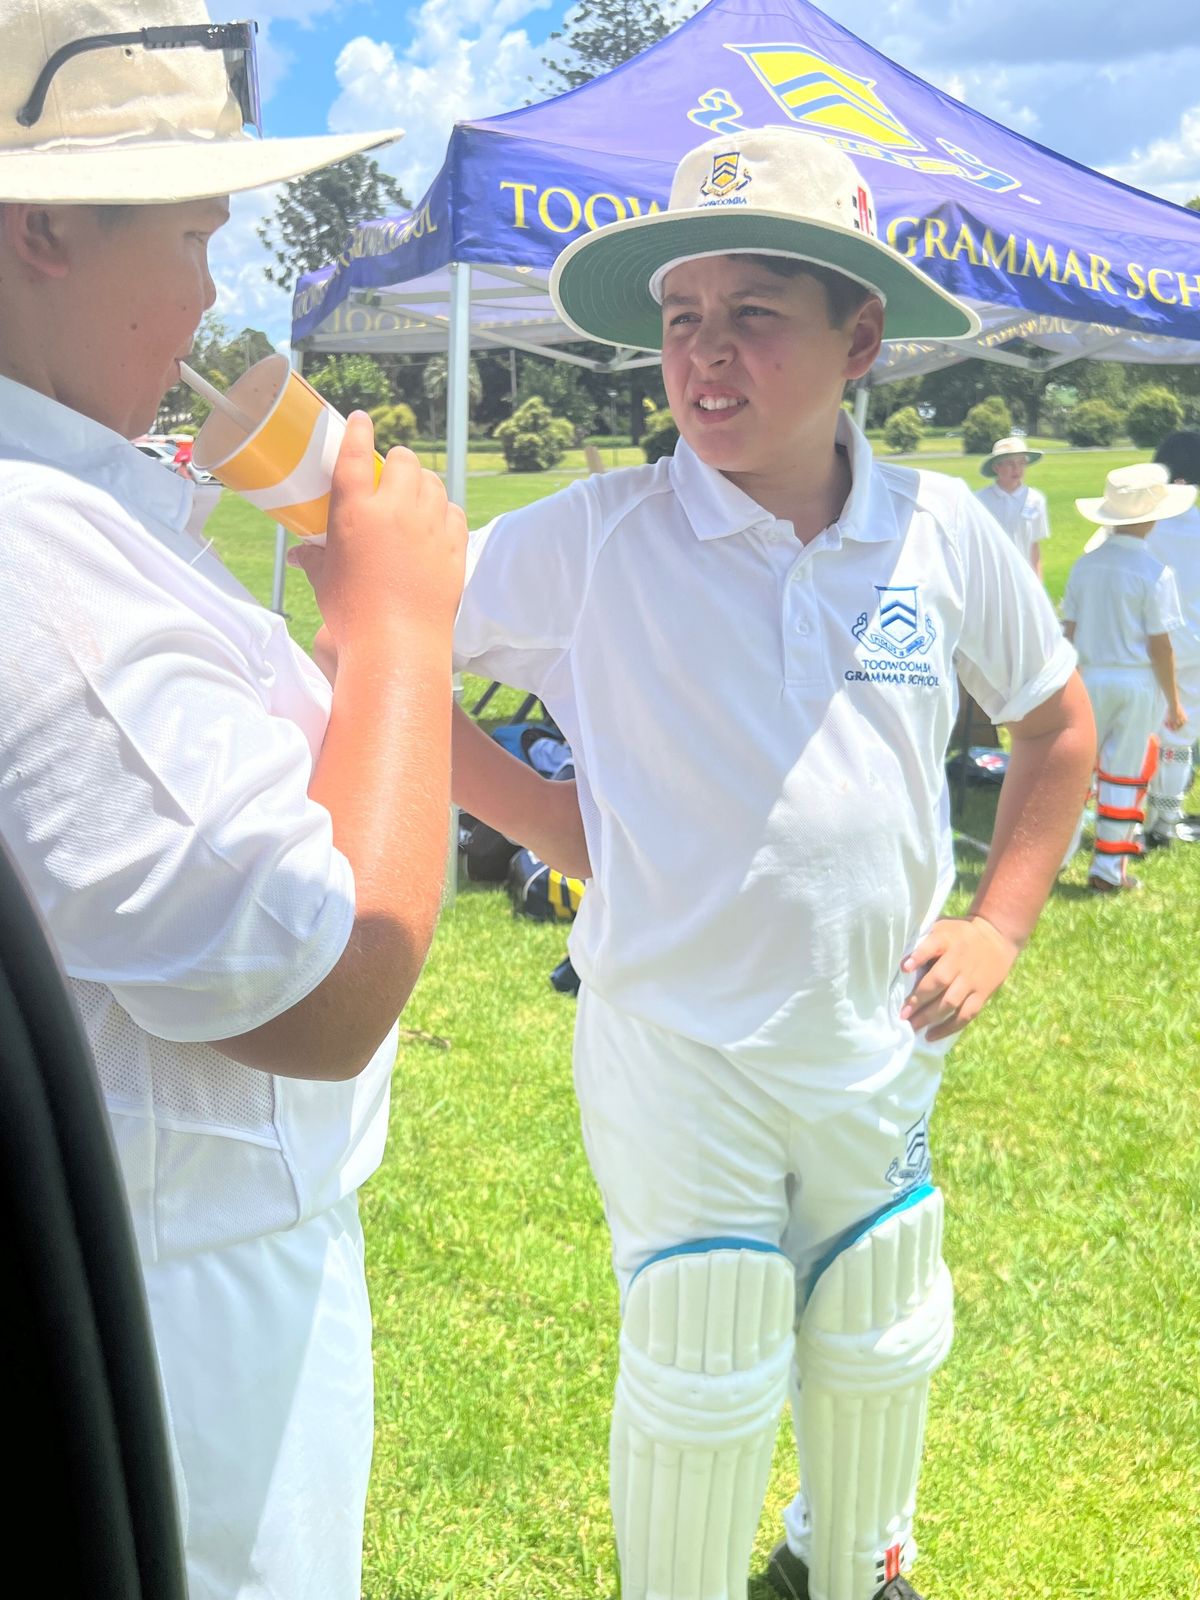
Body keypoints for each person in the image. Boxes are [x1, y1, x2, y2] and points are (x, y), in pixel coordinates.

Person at [453, 126, 1095, 1600]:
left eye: (754, 313)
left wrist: (999, 925)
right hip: (674, 1040)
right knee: (706, 1345)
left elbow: (1057, 726)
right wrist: (550, 823)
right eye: (683, 318)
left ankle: (848, 1570)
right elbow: (386, 646)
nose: (706, 354)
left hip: (876, 1038)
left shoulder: (941, 531)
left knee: (880, 1321)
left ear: (860, 339)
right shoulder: (599, 536)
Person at [0, 4, 582, 1596]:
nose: (214, 293)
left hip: (186, 1256)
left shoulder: (84, 514)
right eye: (195, 237)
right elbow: (318, 984)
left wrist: (362, 655)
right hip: (174, 1320)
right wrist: (402, 627)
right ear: (44, 228)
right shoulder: (36, 553)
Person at [1062, 463, 1190, 890]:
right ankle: (1108, 868)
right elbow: (1160, 646)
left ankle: (1054, 856)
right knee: (1124, 772)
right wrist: (1174, 701)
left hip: (1088, 677)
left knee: (1075, 770)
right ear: (1151, 519)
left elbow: (1069, 631)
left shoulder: (1085, 566)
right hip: (1135, 682)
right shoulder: (1155, 572)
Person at [1144, 430, 1200, 846]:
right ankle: (1167, 815)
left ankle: (1139, 814)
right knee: (1181, 731)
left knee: (1148, 727)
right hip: (1195, 642)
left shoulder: (1145, 526)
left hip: (1153, 640)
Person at [976, 435, 1051, 581]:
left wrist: (1038, 583)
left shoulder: (1035, 499)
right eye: (1010, 464)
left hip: (1023, 577)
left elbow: (1034, 545)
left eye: (1021, 463)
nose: (1017, 469)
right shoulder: (980, 500)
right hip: (992, 577)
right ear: (996, 467)